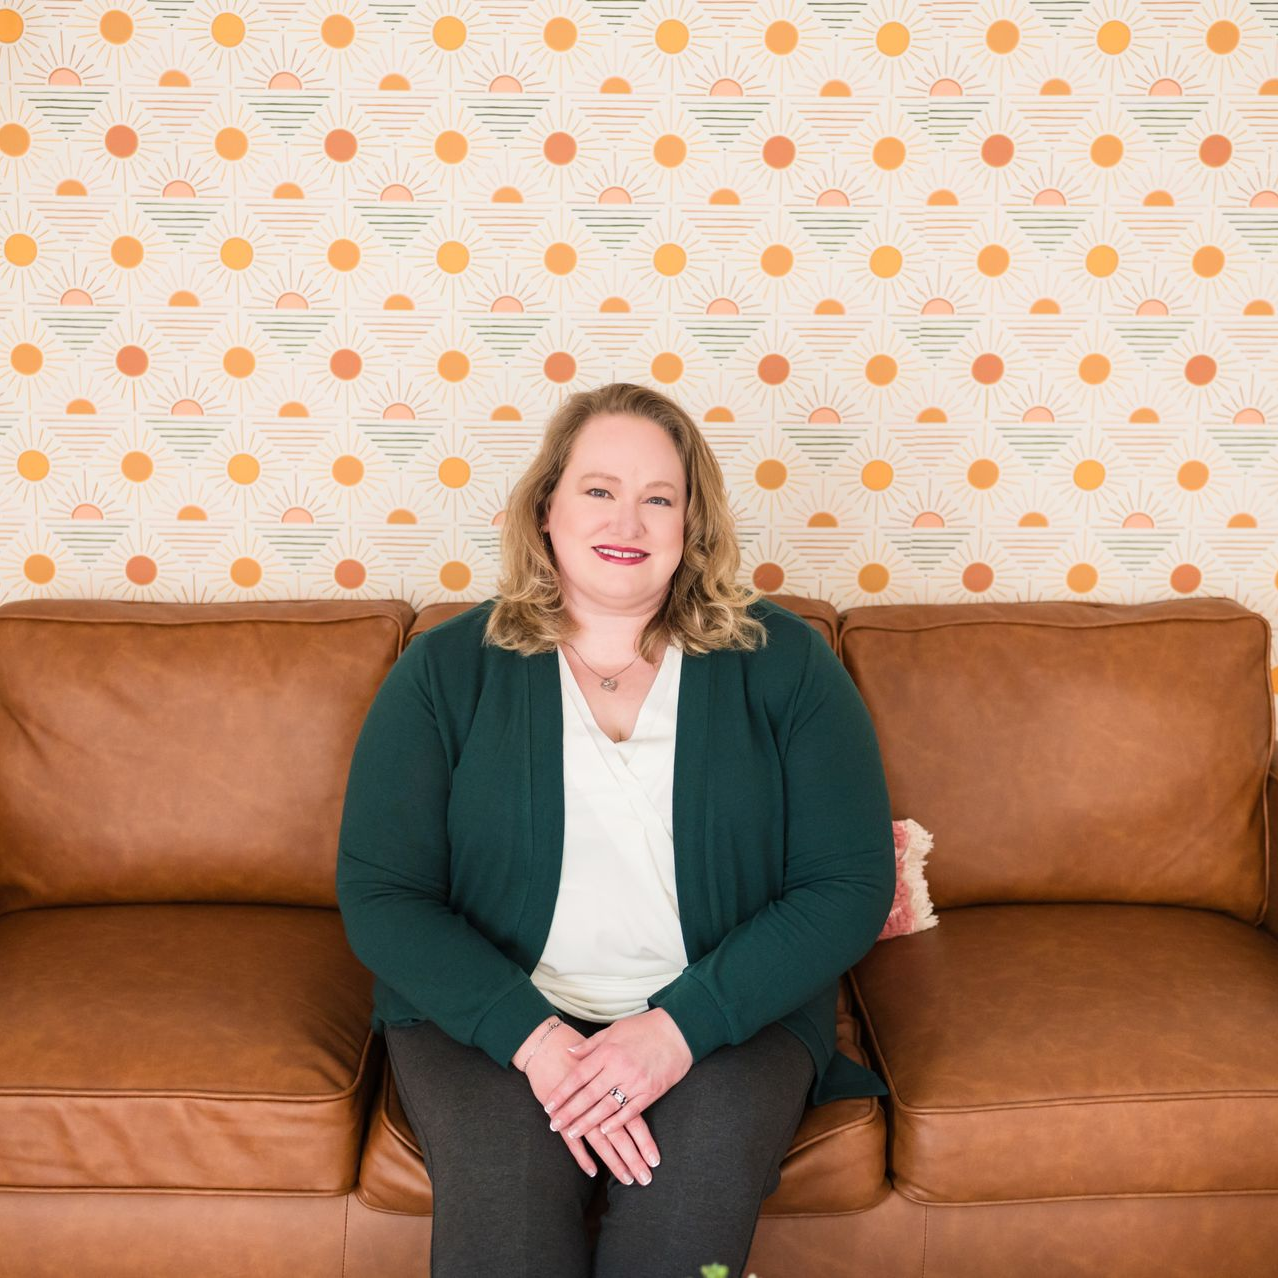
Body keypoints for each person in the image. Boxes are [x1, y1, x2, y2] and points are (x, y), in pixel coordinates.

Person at [335, 381, 897, 1278]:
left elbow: (847, 884)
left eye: (658, 498)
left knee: (680, 1242)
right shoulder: (445, 671)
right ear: (546, 507)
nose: (626, 519)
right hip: (491, 1022)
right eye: (599, 489)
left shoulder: (786, 665)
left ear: (691, 527)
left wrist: (676, 1029)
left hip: (728, 1019)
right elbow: (382, 896)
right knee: (507, 1233)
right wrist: (539, 1040)